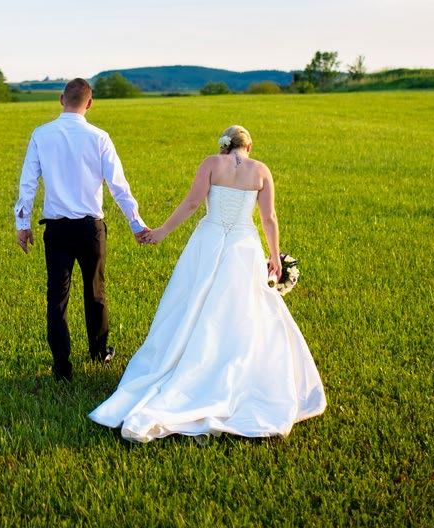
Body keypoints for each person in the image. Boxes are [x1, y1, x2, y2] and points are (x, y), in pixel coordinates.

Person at [89, 124, 326, 440]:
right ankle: (234, 370)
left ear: (224, 146)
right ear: (249, 146)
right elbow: (269, 219)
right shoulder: (261, 170)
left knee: (192, 303)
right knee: (242, 311)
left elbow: (190, 205)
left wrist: (160, 232)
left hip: (209, 239)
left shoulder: (211, 164)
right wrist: (274, 255)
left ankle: (184, 366)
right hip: (243, 245)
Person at [14, 77, 147, 381]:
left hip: (57, 231)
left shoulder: (41, 135)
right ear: (89, 103)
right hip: (91, 229)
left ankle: (62, 367)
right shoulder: (99, 137)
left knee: (56, 298)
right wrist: (136, 224)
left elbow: (28, 183)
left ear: (62, 99)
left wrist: (22, 225)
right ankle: (99, 353)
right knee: (95, 293)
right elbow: (118, 186)